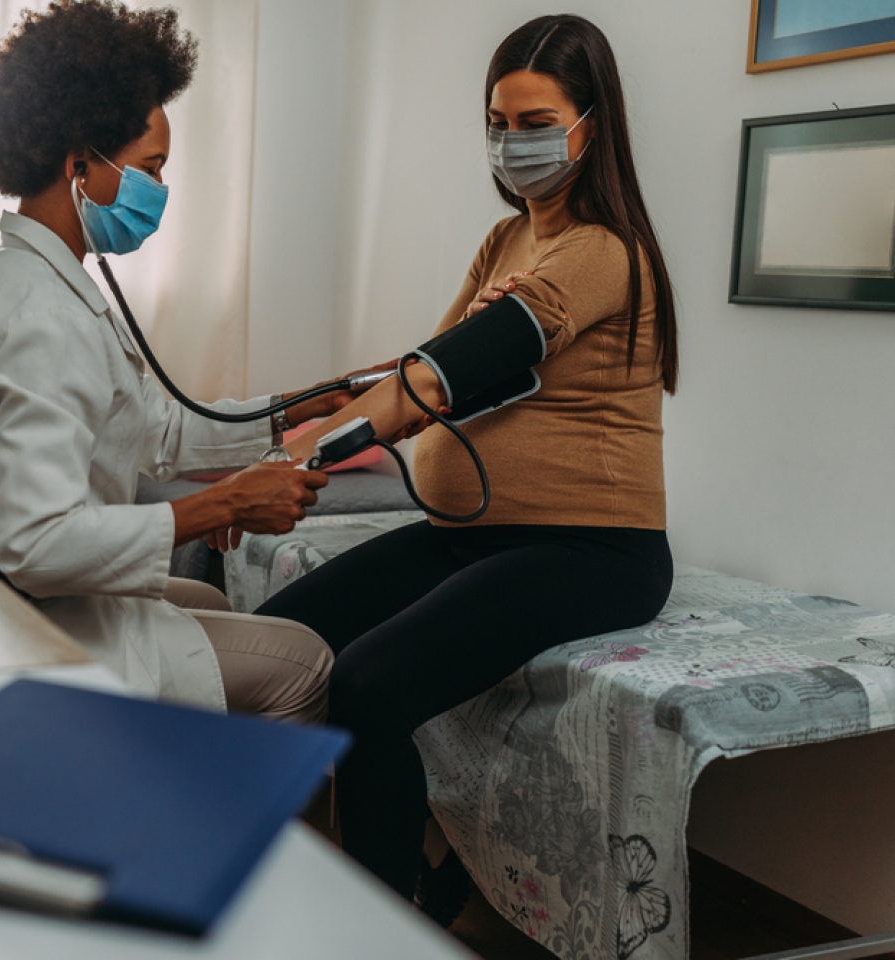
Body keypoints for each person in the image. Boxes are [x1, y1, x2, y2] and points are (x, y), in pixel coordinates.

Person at [256, 14, 680, 917]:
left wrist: (301, 451)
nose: (512, 142)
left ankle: (379, 922)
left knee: (369, 683)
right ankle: (418, 860)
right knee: (283, 638)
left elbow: (438, 380)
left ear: (590, 127)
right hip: (469, 538)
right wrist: (297, 416)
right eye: (500, 120)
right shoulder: (505, 241)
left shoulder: (606, 251)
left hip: (592, 551)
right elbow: (419, 367)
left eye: (536, 123)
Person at [0, 0, 382, 722]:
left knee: (203, 599)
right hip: (4, 618)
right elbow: (38, 541)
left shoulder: (23, 277)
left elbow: (163, 434)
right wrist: (224, 505)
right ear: (80, 164)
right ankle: (203, 832)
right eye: (151, 168)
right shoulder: (41, 318)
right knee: (304, 664)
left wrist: (302, 404)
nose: (160, 192)